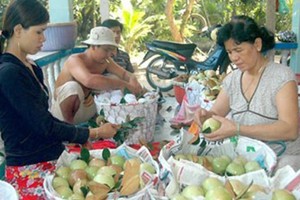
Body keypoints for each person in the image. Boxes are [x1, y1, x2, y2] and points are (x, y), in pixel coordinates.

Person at [0, 0, 119, 199]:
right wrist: (93, 133)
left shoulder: (30, 66)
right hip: (29, 165)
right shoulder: (9, 73)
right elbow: (44, 126)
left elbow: (44, 116)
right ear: (18, 30)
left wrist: (83, 135)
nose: (43, 38)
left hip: (50, 153)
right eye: (39, 32)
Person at [194, 15, 300, 170]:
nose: (234, 58)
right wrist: (205, 116)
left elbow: (290, 130)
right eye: (229, 52)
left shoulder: (282, 78)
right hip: (246, 161)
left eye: (238, 50)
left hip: (281, 157)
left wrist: (238, 129)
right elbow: (216, 112)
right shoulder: (232, 80)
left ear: (257, 44)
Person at [50, 26, 143, 124]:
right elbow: (89, 80)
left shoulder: (105, 61)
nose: (109, 54)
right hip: (62, 115)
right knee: (73, 87)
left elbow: (124, 74)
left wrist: (133, 79)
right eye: (106, 50)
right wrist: (123, 84)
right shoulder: (75, 60)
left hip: (85, 108)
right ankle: (69, 130)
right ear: (93, 46)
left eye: (111, 50)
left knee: (113, 79)